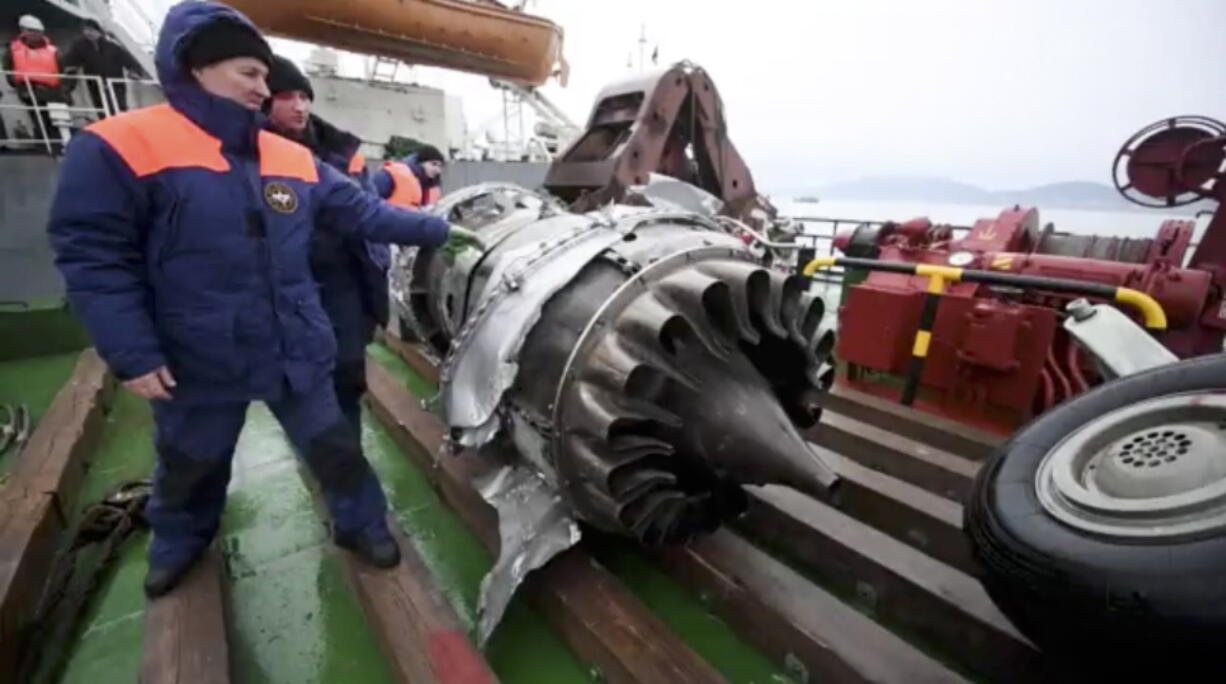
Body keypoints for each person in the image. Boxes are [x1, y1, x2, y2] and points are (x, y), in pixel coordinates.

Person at [48, 1, 474, 598]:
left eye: (264, 75)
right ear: (197, 67)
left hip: (293, 343)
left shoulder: (290, 157)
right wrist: (133, 353)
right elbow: (93, 256)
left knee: (334, 445)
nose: (263, 88)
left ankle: (361, 523)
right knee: (192, 460)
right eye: (249, 73)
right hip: (194, 352)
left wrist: (437, 230)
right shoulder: (118, 146)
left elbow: (364, 213)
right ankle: (180, 542)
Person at [263, 54, 387, 436]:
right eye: (286, 96)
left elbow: (371, 214)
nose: (299, 106)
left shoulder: (343, 151)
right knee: (303, 383)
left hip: (344, 282)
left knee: (348, 373)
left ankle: (348, 455)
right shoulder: (247, 152)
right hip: (286, 290)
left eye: (304, 96)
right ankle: (327, 456)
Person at [62, 18, 147, 117]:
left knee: (119, 110)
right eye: (85, 30)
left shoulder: (113, 47)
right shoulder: (80, 47)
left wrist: (134, 72)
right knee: (102, 112)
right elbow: (71, 63)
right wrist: (67, 85)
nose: (88, 33)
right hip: (96, 86)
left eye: (90, 30)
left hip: (116, 84)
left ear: (98, 31)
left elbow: (130, 62)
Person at [4, 15, 66, 146]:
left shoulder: (53, 50)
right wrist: (17, 83)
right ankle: (44, 144)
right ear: (23, 31)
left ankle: (58, 143)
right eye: (31, 30)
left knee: (56, 120)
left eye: (38, 31)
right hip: (28, 89)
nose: (35, 34)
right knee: (39, 118)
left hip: (52, 91)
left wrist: (63, 88)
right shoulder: (13, 49)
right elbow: (8, 68)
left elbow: (63, 69)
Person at [372, 144, 445, 208]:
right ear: (420, 162)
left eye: (440, 166)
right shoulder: (393, 174)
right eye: (433, 164)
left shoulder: (433, 188)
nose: (437, 170)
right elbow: (369, 200)